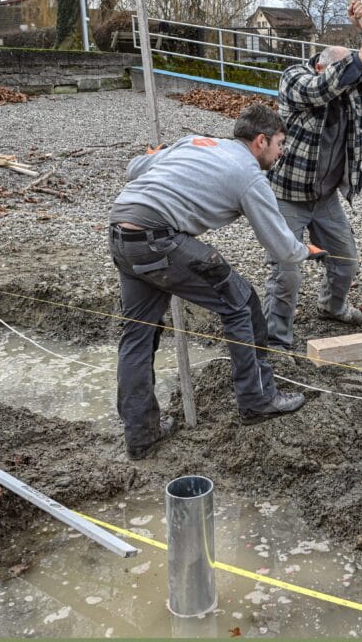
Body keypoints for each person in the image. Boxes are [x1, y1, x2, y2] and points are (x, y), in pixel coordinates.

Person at [109, 104, 323, 459]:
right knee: (241, 303)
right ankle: (258, 400)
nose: (282, 152)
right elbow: (281, 247)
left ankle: (141, 435)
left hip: (120, 232)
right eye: (280, 144)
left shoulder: (196, 142)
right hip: (157, 239)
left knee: (138, 334)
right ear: (260, 141)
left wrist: (156, 155)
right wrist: (306, 251)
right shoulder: (249, 175)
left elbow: (135, 169)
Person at [263, 0, 362, 351]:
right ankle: (275, 339)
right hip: (287, 195)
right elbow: (320, 91)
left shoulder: (349, 91)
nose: (347, 81)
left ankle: (332, 307)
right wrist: (360, 57)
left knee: (346, 261)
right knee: (287, 271)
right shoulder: (295, 79)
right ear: (321, 66)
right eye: (342, 73)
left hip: (325, 197)